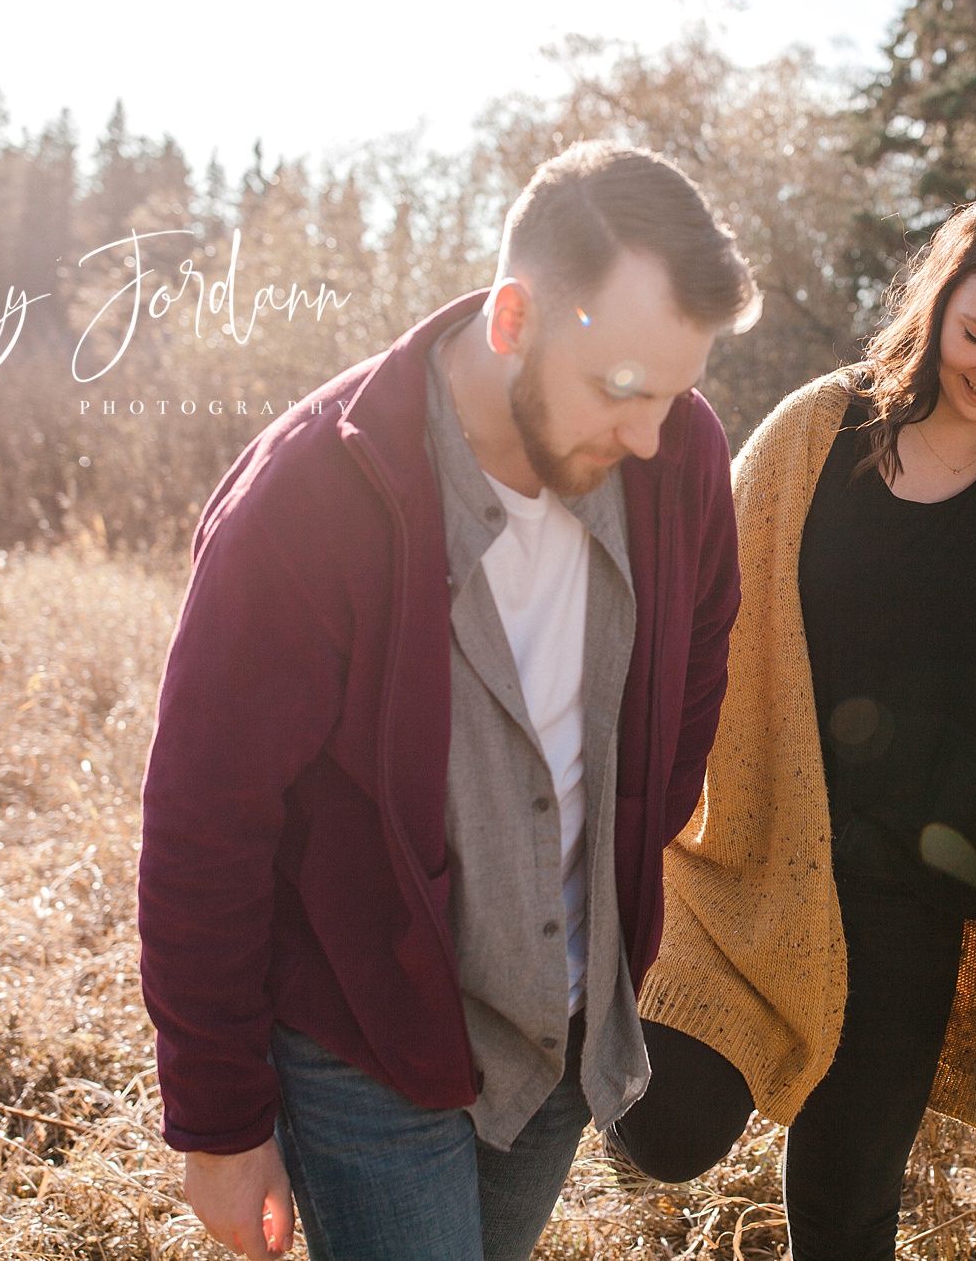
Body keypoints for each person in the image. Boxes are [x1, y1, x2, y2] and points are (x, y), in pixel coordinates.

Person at [136, 141, 758, 1261]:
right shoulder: (310, 496)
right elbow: (204, 821)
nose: (652, 435)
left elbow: (701, 651)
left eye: (675, 391)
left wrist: (634, 857)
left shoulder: (680, 454)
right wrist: (220, 1121)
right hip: (365, 1040)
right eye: (623, 389)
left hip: (571, 1029)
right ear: (513, 319)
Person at [608, 189, 976, 1259]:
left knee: (847, 1205)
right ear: (937, 297)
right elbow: (695, 609)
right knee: (664, 1130)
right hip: (750, 861)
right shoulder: (819, 430)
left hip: (917, 895)